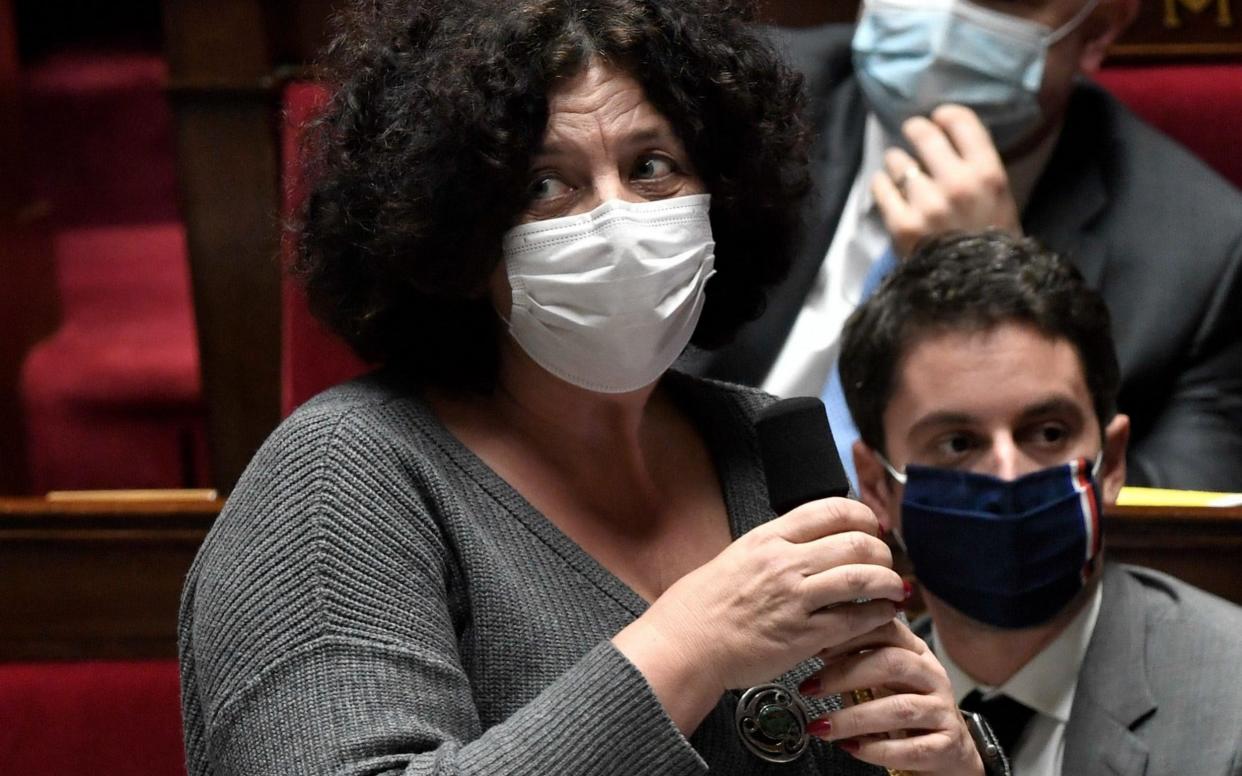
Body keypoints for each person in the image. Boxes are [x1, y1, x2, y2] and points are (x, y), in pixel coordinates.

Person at [178, 2, 991, 775]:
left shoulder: (760, 443)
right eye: (544, 185)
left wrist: (955, 765)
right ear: (458, 235)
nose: (616, 220)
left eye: (652, 168)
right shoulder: (342, 479)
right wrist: (689, 646)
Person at [690, 0, 1242, 491]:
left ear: (1096, 29)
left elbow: (1170, 531)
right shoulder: (724, 94)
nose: (941, 16)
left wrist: (997, 291)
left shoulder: (1205, 251)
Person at [839, 230, 1242, 775]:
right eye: (958, 442)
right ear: (878, 487)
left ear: (1113, 462)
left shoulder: (1229, 707)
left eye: (1048, 432)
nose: (1008, 474)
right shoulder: (838, 711)